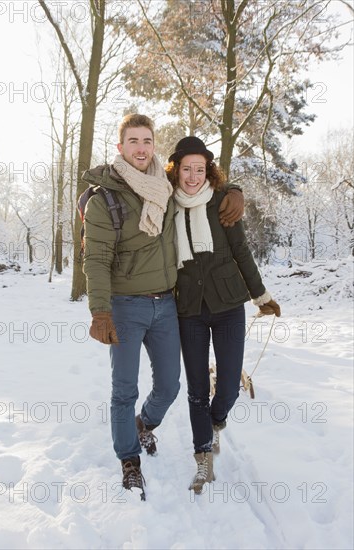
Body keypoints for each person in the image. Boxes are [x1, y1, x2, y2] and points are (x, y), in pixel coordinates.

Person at [82, 115, 245, 499]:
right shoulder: (104, 197)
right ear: (120, 146)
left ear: (154, 147)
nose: (141, 148)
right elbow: (97, 259)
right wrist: (100, 311)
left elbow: (199, 179)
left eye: (147, 141)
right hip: (124, 306)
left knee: (170, 385)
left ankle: (144, 423)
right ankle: (129, 461)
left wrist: (233, 189)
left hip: (166, 304)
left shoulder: (165, 185)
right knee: (124, 390)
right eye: (133, 141)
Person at [165, 136, 281, 494]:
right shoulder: (165, 204)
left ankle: (216, 423)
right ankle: (203, 459)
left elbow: (242, 251)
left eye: (200, 169)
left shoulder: (222, 203)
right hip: (189, 309)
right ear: (176, 170)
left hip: (229, 305)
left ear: (208, 170)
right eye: (187, 168)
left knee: (229, 383)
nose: (193, 176)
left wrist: (260, 294)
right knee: (197, 388)